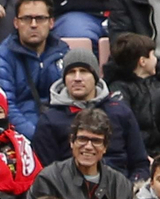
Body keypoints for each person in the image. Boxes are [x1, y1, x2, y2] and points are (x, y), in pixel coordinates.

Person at [33, 48, 147, 182]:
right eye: (71, 72)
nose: (77, 78)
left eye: (84, 71)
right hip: (70, 191)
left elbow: (140, 164)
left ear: (96, 77)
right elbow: (47, 172)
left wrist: (131, 188)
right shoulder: (50, 119)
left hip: (120, 188)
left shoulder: (120, 111)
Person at [0, 0, 66, 140]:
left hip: (61, 133)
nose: (33, 25)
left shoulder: (63, 52)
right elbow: (5, 108)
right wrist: (39, 139)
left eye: (40, 18)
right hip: (20, 139)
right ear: (16, 23)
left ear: (51, 23)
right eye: (27, 19)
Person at [104, 32, 160, 159]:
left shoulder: (157, 86)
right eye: (153, 55)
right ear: (142, 61)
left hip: (157, 152)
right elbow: (125, 127)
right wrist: (143, 156)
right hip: (131, 155)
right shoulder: (118, 89)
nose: (156, 60)